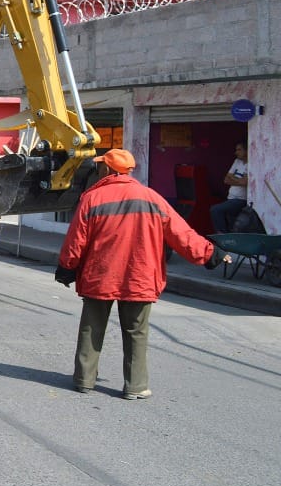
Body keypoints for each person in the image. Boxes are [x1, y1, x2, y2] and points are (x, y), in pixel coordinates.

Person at [56, 148, 229, 399]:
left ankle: (84, 379)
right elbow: (183, 235)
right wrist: (210, 254)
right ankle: (135, 387)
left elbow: (76, 240)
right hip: (140, 276)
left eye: (101, 166)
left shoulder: (92, 199)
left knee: (91, 327)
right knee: (136, 332)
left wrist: (67, 267)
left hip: (100, 275)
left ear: (108, 169)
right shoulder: (152, 198)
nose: (98, 170)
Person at [210, 142, 249, 233]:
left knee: (215, 209)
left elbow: (245, 182)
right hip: (230, 198)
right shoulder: (237, 161)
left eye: (239, 150)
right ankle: (230, 240)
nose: (236, 152)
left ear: (246, 151)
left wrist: (233, 178)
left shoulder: (251, 164)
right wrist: (239, 180)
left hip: (241, 199)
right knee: (231, 222)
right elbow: (226, 180)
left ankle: (222, 235)